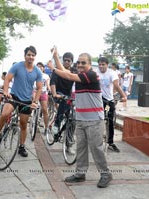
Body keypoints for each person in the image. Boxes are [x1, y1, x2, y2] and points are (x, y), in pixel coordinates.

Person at [48, 47, 113, 188]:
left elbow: (68, 76)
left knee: (96, 148)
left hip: (94, 119)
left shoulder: (91, 75)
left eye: (83, 63)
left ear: (90, 64)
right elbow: (65, 72)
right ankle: (80, 173)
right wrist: (56, 56)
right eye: (78, 63)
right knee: (81, 147)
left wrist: (52, 69)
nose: (80, 65)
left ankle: (106, 174)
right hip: (81, 118)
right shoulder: (80, 76)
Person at [0, 46, 42, 157]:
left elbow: (39, 88)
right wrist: (5, 91)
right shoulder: (17, 66)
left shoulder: (37, 71)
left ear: (35, 57)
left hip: (27, 100)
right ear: (25, 56)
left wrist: (35, 102)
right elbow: (8, 79)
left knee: (23, 124)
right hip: (14, 96)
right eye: (29, 54)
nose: (31, 57)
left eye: (33, 55)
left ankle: (22, 147)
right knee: (5, 113)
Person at [96, 57, 127, 153]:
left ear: (107, 65)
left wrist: (123, 96)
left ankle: (110, 142)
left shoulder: (111, 73)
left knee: (110, 121)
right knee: (96, 120)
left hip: (108, 100)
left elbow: (116, 85)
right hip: (97, 100)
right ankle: (96, 141)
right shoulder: (96, 72)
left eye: (103, 64)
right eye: (99, 64)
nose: (101, 66)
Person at [50, 52, 75, 140]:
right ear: (62, 61)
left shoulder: (74, 71)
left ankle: (68, 141)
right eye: (65, 60)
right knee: (64, 101)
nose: (67, 62)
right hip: (58, 93)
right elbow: (52, 82)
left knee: (72, 119)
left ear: (72, 62)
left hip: (69, 95)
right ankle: (57, 123)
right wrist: (54, 94)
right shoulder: (57, 70)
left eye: (69, 60)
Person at [35, 62, 50, 131]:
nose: (39, 67)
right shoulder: (33, 74)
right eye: (38, 66)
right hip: (34, 92)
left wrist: (49, 90)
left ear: (43, 68)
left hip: (43, 93)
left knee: (44, 110)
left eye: (41, 66)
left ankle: (46, 127)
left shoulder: (46, 76)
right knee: (32, 106)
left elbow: (48, 84)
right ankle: (32, 119)